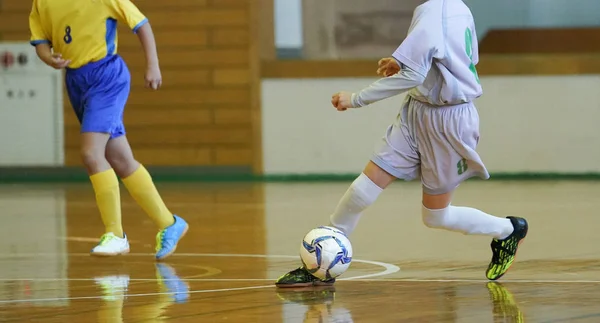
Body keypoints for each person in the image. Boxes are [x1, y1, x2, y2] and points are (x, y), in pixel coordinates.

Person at [275, 0, 528, 287]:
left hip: (449, 122)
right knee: (366, 186)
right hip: (417, 112)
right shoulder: (455, 6)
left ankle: (508, 230)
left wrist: (356, 98)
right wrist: (404, 60)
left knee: (436, 217)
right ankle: (321, 261)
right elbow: (442, 55)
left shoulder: (435, 12)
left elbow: (414, 75)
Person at [28, 0, 188, 259]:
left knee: (92, 154)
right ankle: (169, 224)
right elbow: (40, 38)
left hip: (106, 76)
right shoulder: (42, 2)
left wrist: (153, 64)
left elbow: (142, 24)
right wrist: (47, 56)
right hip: (76, 80)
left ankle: (116, 234)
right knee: (120, 159)